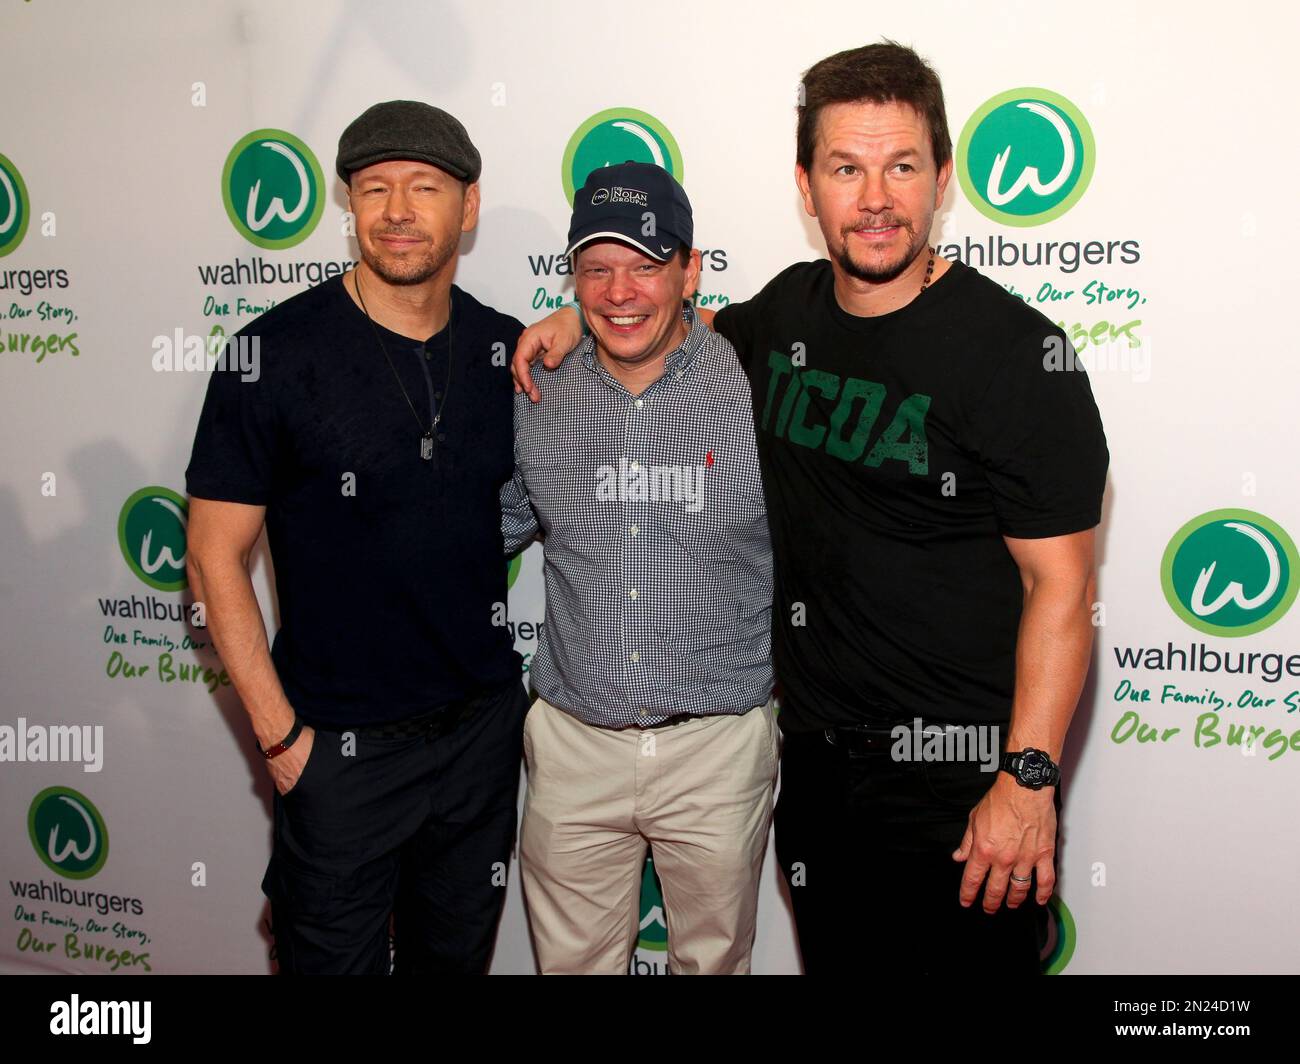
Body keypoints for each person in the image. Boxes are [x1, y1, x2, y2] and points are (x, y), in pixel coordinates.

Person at [512, 43, 1109, 974]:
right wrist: (568, 320)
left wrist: (1027, 781)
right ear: (807, 186)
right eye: (846, 169)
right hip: (819, 775)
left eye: (902, 166)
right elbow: (669, 318)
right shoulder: (784, 316)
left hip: (963, 782)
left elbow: (1063, 589)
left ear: (942, 179)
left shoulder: (1018, 357)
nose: (875, 198)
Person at [185, 100, 529, 974]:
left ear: (471, 205)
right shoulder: (269, 355)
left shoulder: (507, 352)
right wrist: (279, 741)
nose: (399, 211)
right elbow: (212, 555)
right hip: (336, 753)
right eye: (374, 189)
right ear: (349, 206)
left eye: (425, 187)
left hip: (479, 744)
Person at [501, 162, 777, 974]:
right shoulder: (533, 387)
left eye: (647, 265)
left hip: (718, 746)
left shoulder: (756, 380)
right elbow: (486, 527)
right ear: (573, 278)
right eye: (597, 268)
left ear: (691, 271)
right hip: (572, 746)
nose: (621, 292)